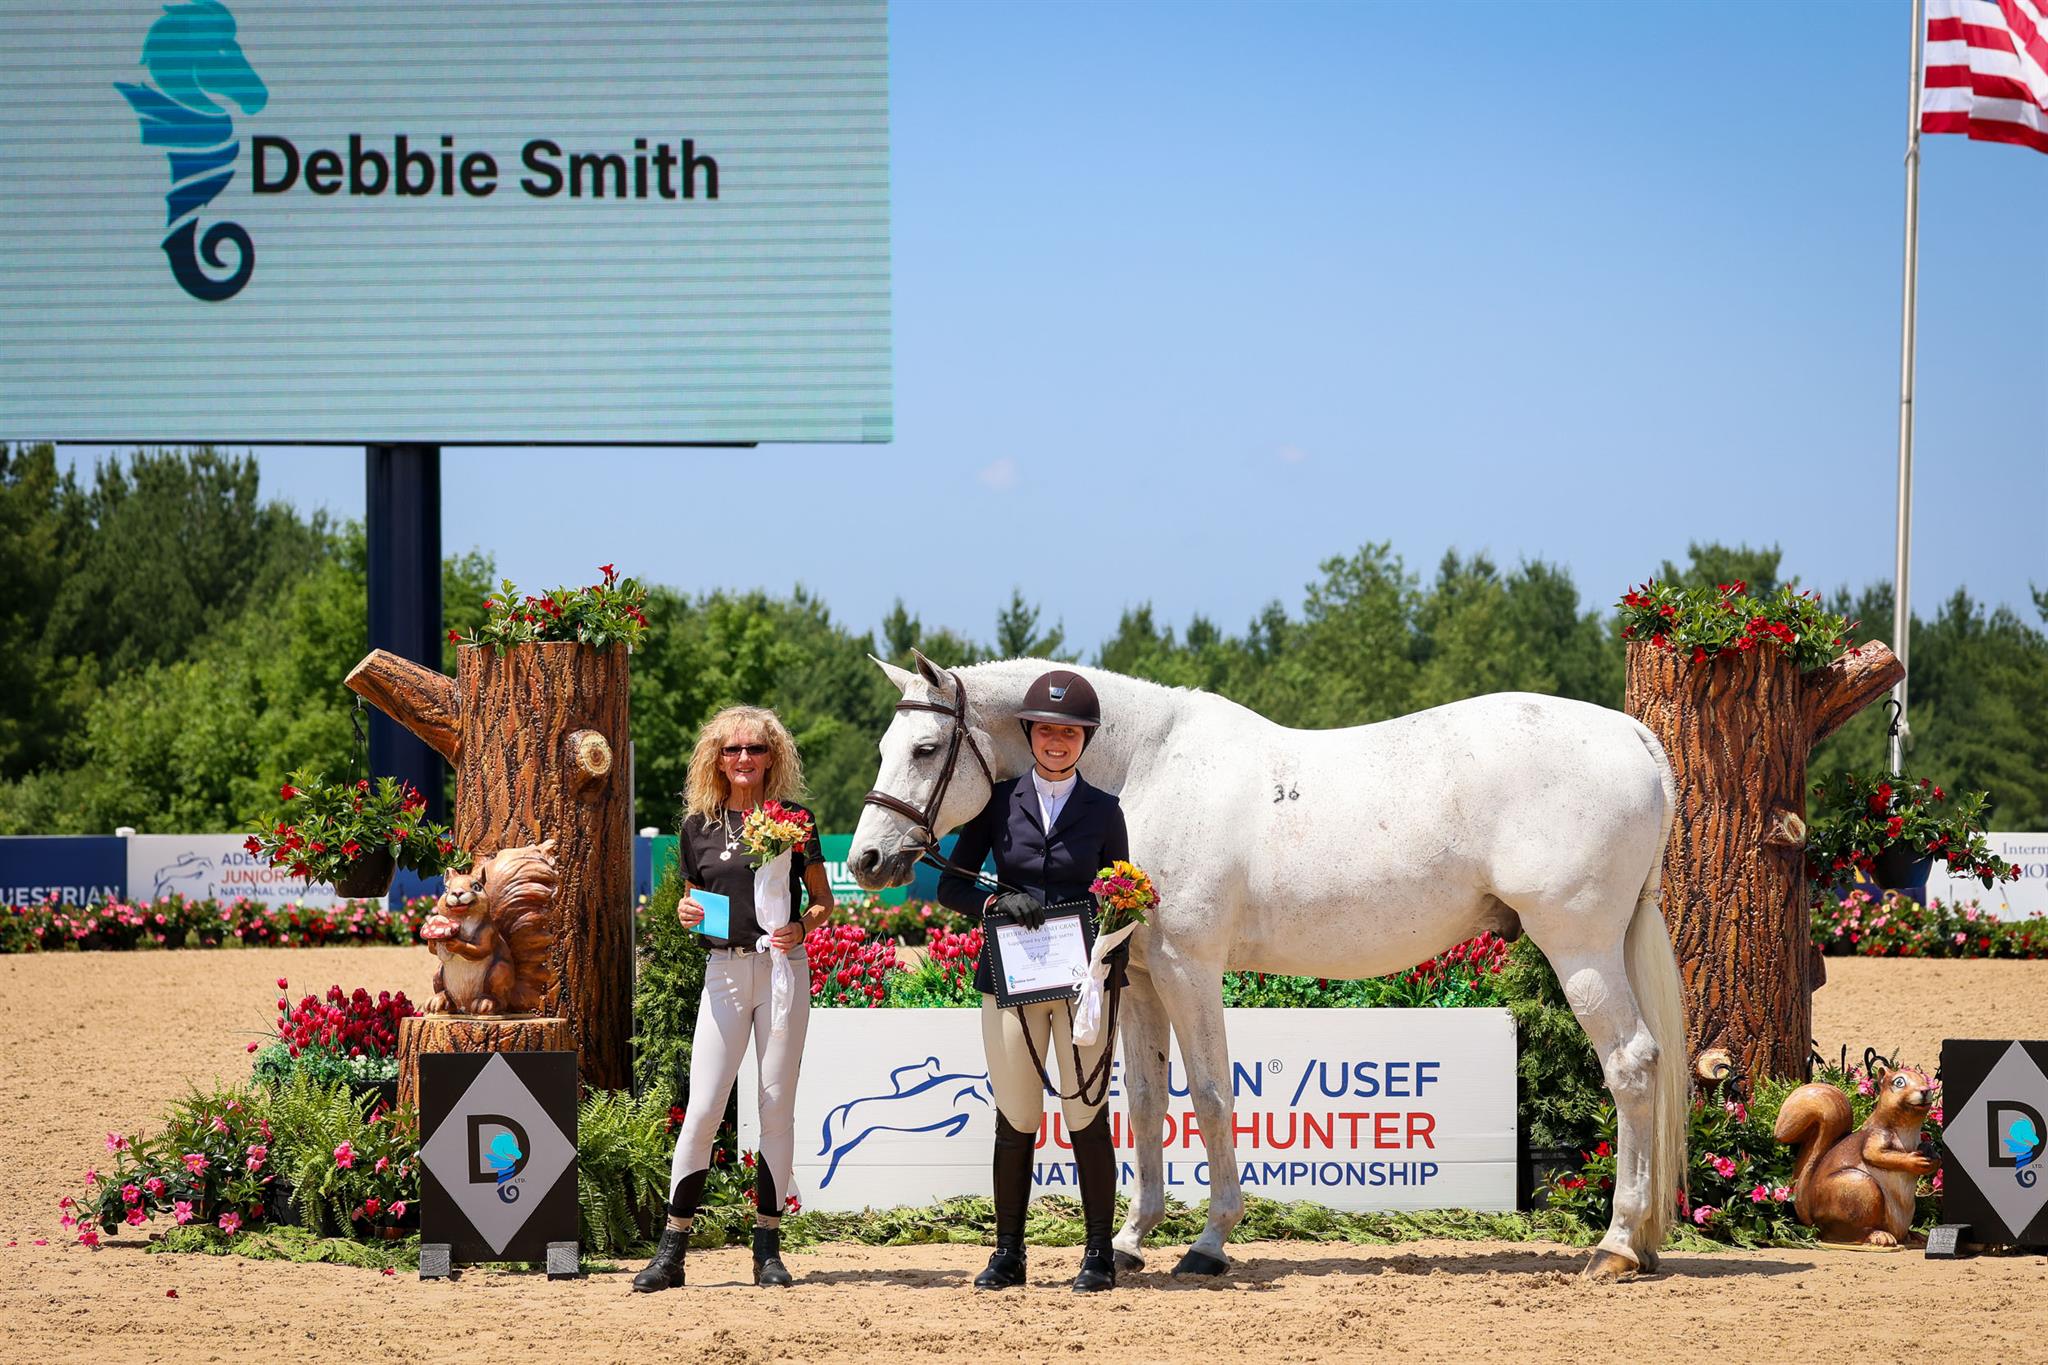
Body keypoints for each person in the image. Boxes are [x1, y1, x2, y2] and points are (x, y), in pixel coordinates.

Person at [937, 668, 1129, 1293]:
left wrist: (1106, 975)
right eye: (1046, 730)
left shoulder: (1106, 811)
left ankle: (1098, 1251)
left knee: (1086, 1111)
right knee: (1016, 1113)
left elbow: (1124, 897)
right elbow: (952, 885)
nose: (1056, 742)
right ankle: (1008, 1253)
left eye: (1069, 733)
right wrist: (995, 905)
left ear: (1084, 741)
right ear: (1030, 734)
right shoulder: (997, 802)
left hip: (1081, 984)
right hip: (1008, 981)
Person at [633, 705, 832, 1292]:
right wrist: (684, 910)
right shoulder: (698, 825)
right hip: (723, 970)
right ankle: (672, 1250)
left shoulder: (796, 820)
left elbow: (821, 902)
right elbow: (694, 905)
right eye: (731, 749)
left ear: (774, 757)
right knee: (704, 1108)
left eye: (755, 749)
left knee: (775, 1106)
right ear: (715, 759)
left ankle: (768, 1249)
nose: (743, 758)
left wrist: (805, 925)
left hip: (781, 971)